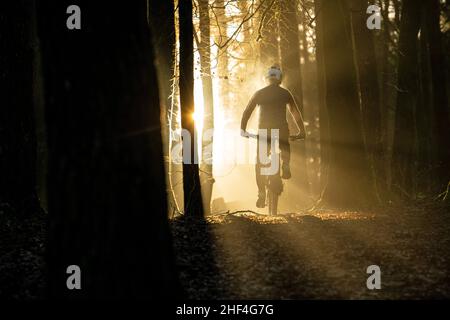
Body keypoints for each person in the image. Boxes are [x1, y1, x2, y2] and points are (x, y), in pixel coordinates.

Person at [240, 65, 306, 208]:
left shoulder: (259, 93)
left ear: (267, 78)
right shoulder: (285, 93)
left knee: (259, 163)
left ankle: (261, 193)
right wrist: (302, 131)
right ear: (279, 79)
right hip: (281, 130)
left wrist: (243, 129)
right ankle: (286, 164)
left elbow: (247, 112)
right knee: (284, 144)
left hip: (264, 132)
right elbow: (296, 114)